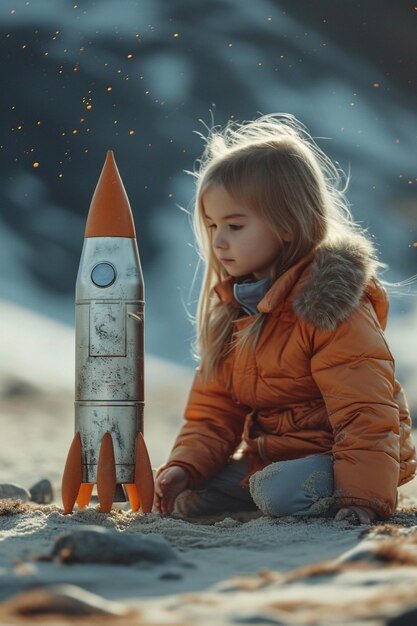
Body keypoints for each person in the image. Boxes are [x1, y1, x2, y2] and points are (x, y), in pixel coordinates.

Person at [153, 112, 416, 524]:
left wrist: (362, 497)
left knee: (276, 492)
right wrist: (184, 467)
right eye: (212, 225)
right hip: (270, 458)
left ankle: (333, 491)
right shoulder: (236, 308)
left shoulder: (331, 305)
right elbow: (214, 411)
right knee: (191, 497)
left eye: (235, 226)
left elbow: (365, 411)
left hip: (341, 457)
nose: (219, 241)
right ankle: (264, 488)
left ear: (288, 225)